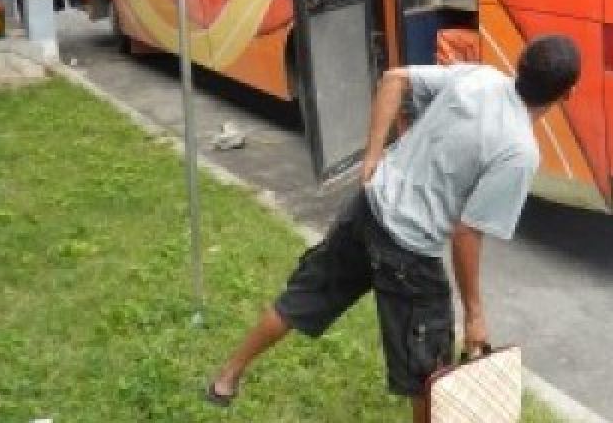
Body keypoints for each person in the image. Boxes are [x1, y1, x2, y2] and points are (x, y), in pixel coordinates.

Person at [206, 35, 582, 420]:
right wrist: (474, 314)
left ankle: (227, 376)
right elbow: (467, 232)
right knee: (429, 371)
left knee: (301, 298)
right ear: (568, 94)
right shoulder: (519, 150)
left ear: (520, 64)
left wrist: (371, 157)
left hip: (368, 209)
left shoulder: (480, 78)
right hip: (409, 252)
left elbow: (394, 80)